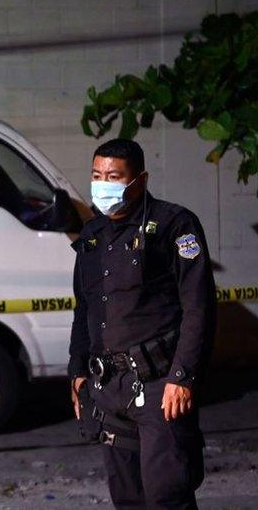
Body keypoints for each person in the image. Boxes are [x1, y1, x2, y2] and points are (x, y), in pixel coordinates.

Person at [68, 138, 216, 509]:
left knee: (167, 493)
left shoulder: (174, 226)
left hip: (159, 387)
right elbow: (84, 309)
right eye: (97, 175)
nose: (103, 184)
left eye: (114, 176)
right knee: (127, 497)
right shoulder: (92, 236)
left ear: (141, 180)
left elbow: (199, 307)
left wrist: (183, 376)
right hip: (109, 387)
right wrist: (77, 373)